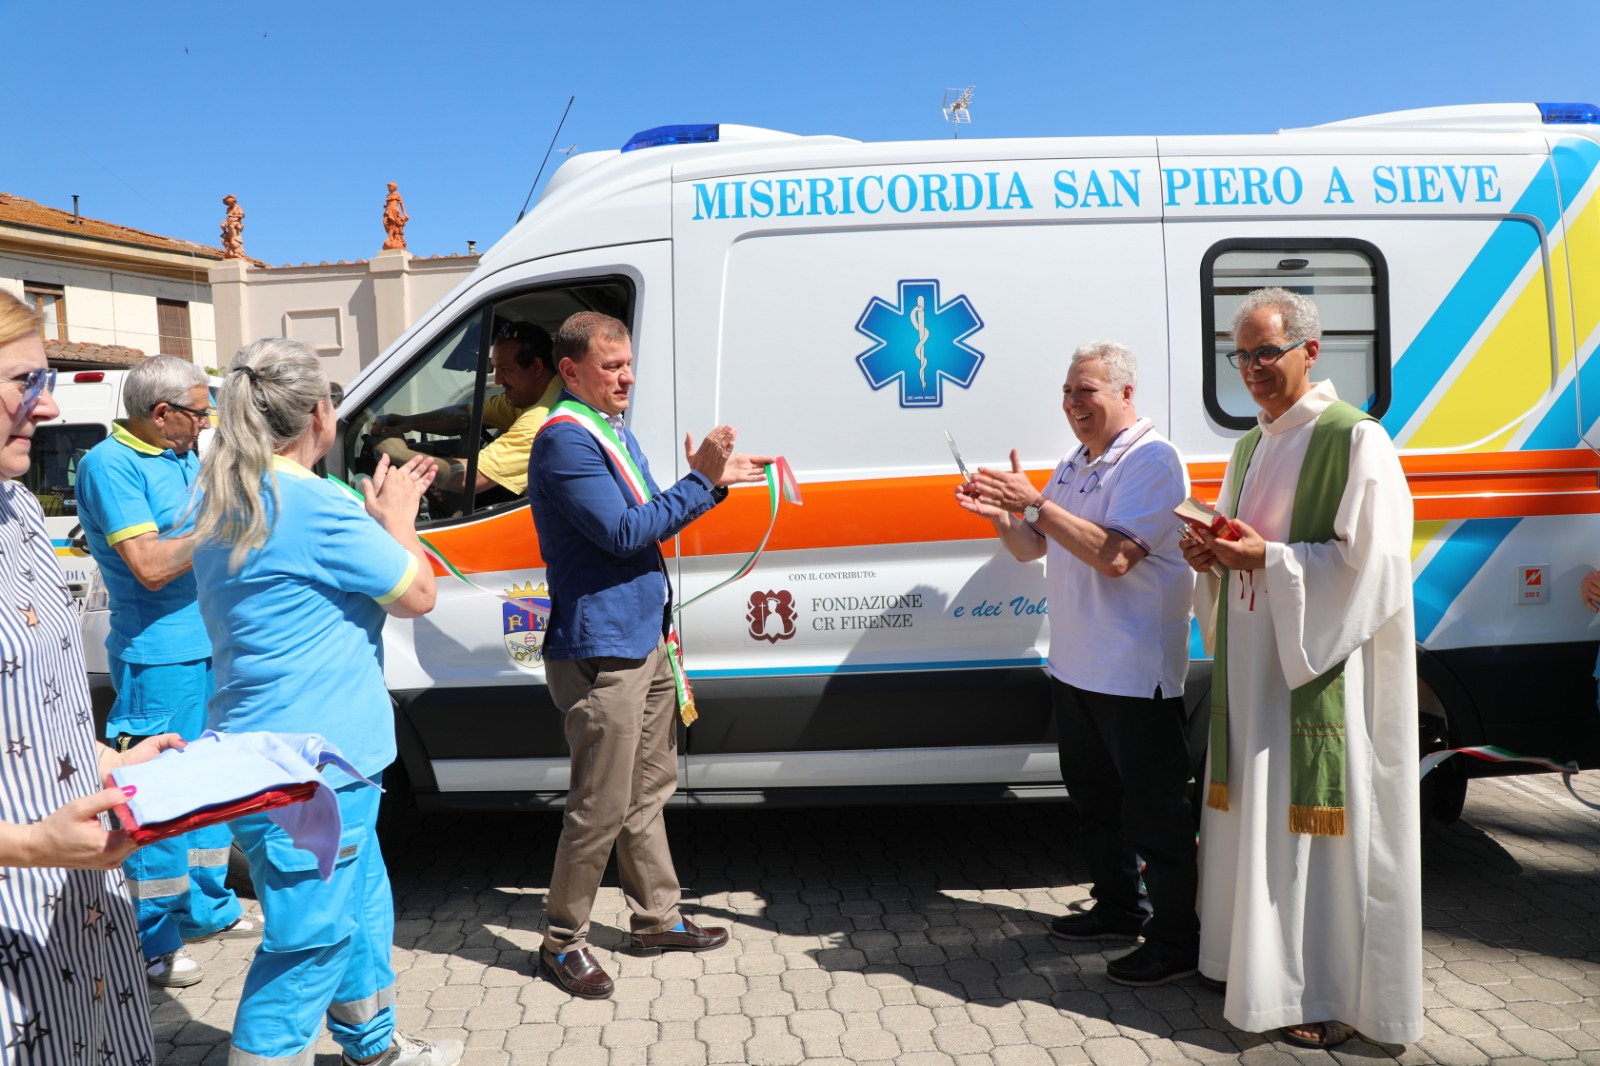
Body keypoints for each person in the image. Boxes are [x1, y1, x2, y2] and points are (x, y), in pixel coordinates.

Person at [188, 339, 460, 1066]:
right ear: (319, 414)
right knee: (312, 942)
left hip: (290, 762)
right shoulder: (311, 505)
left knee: (363, 914)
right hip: (313, 775)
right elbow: (419, 595)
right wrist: (399, 515)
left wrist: (369, 523)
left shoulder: (229, 497)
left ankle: (373, 1049)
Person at [1180, 288, 1420, 1050]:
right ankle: (1244, 965)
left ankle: (1321, 990)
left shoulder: (1356, 440)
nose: (1249, 368)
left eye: (1263, 352)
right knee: (1254, 819)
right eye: (1239, 355)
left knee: (1312, 835)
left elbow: (1374, 568)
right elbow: (1236, 545)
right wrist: (1209, 557)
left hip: (1320, 677)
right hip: (1252, 674)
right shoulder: (1250, 445)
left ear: (1310, 352)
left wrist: (1270, 558)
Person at [527, 311, 771, 999]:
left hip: (643, 640)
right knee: (598, 807)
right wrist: (704, 482)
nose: (627, 375)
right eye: (611, 366)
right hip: (602, 651)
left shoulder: (611, 431)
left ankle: (655, 919)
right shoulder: (564, 442)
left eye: (628, 363)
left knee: (647, 791)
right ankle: (561, 942)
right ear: (571, 372)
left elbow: (649, 518)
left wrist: (713, 484)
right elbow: (624, 531)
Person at [955, 341, 1199, 986]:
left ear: (1124, 394)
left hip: (1131, 669)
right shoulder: (1077, 459)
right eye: (1067, 392)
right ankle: (1119, 908)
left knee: (1155, 815)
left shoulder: (1152, 459)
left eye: (1085, 392)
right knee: (1097, 805)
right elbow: (1032, 547)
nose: (1072, 404)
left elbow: (1116, 557)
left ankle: (1177, 939)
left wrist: (1034, 503)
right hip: (1077, 667)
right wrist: (1006, 516)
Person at [0, 289, 184, 1063]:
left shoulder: (20, 513)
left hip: (82, 916)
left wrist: (107, 761)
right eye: (21, 383)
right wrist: (33, 842)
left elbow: (35, 701)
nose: (43, 409)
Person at [75, 354, 256, 989]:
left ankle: (206, 907)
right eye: (198, 413)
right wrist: (223, 519)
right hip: (160, 656)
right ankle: (152, 940)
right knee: (155, 795)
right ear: (161, 414)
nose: (204, 425)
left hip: (207, 644)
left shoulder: (180, 453)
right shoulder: (110, 465)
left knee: (208, 782)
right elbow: (150, 565)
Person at [374, 322, 558, 504]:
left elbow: (471, 478)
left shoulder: (543, 420)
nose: (499, 380)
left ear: (536, 368)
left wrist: (396, 453)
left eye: (505, 370)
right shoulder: (532, 396)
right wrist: (407, 423)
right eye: (495, 369)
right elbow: (465, 414)